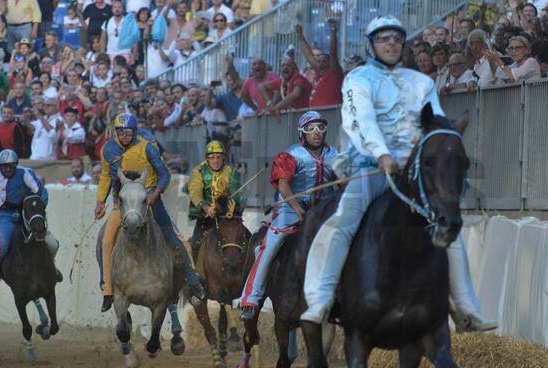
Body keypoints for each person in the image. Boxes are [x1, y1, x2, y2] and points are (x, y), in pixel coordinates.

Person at [300, 15, 497, 332]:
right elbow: (363, 120)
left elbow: (437, 123)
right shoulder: (358, 79)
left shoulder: (421, 83)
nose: (390, 43)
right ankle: (321, 298)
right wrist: (382, 154)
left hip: (415, 170)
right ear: (371, 45)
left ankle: (466, 309)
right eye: (383, 38)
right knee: (341, 223)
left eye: (396, 38)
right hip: (371, 167)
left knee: (447, 224)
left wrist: (434, 148)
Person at [95, 113, 205, 312]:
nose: (125, 136)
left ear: (134, 132)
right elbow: (105, 176)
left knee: (173, 238)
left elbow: (164, 173)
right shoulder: (107, 150)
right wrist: (100, 201)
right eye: (121, 132)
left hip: (149, 202)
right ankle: (107, 289)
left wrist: (156, 194)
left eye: (128, 132)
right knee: (105, 241)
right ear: (116, 132)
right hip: (121, 204)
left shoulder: (147, 147)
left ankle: (192, 279)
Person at [241, 111, 337, 320]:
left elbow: (344, 180)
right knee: (270, 246)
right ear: (302, 133)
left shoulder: (335, 155)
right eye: (311, 128)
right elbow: (283, 185)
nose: (317, 132)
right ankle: (251, 298)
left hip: (324, 210)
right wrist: (298, 210)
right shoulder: (291, 155)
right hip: (291, 208)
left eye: (320, 128)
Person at [0, 149, 61, 290]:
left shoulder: (25, 173)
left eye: (11, 165)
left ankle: (53, 266)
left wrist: (39, 210)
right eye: (5, 166)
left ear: (16, 164)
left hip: (25, 215)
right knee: (2, 247)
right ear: (0, 167)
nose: (8, 168)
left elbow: (40, 192)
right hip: (6, 217)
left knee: (52, 244)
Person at [187, 140, 243, 256]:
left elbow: (236, 193)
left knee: (247, 238)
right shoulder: (199, 171)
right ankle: (194, 273)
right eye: (212, 157)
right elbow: (195, 192)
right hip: (206, 216)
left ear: (223, 158)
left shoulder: (230, 172)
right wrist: (206, 207)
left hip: (227, 216)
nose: (216, 160)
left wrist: (235, 203)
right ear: (207, 159)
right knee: (196, 244)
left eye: (218, 157)